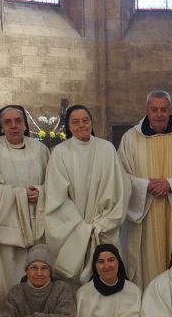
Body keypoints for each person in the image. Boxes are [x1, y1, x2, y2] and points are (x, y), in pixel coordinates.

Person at [118, 90, 172, 289]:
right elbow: (121, 175)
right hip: (145, 216)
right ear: (147, 110)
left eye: (164, 109)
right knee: (147, 263)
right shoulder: (131, 138)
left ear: (170, 110)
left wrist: (171, 184)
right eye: (154, 109)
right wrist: (145, 185)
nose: (159, 114)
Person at [0, 105, 50, 306]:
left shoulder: (41, 150)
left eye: (18, 121)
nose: (13, 126)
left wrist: (41, 193)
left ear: (25, 124)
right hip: (4, 234)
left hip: (35, 228)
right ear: (1, 127)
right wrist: (20, 195)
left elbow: (53, 184)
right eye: (7, 122)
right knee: (6, 282)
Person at [44, 104, 127, 284]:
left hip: (103, 228)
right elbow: (56, 196)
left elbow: (119, 189)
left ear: (91, 123)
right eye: (75, 122)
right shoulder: (60, 153)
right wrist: (82, 227)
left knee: (105, 277)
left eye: (85, 120)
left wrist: (104, 222)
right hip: (72, 229)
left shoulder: (107, 149)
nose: (81, 125)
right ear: (69, 126)